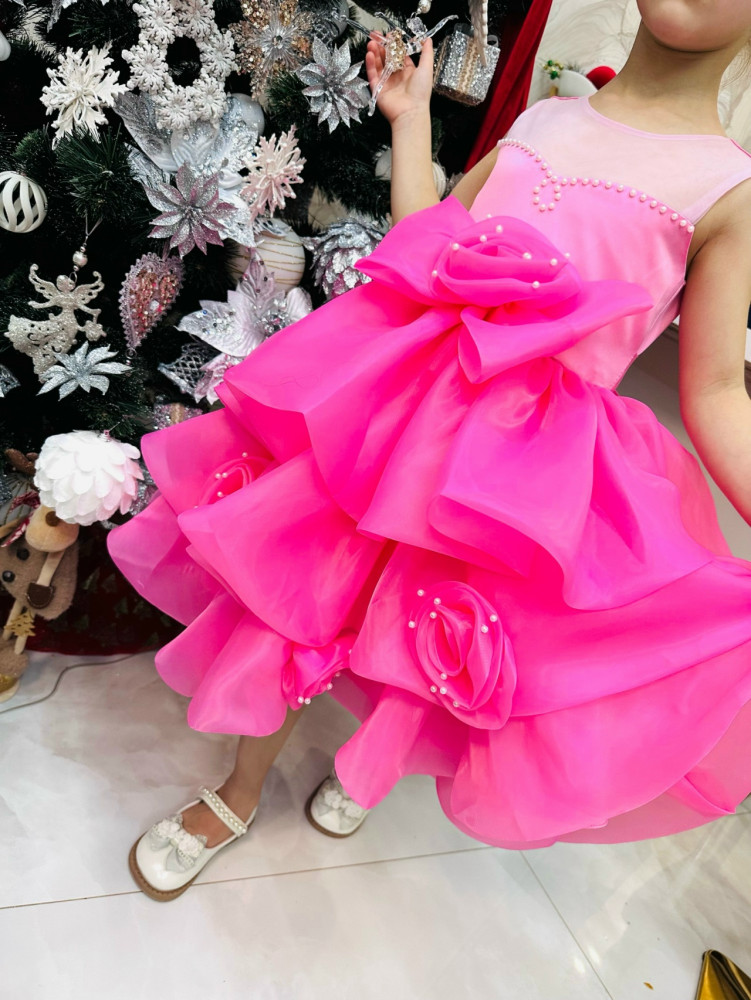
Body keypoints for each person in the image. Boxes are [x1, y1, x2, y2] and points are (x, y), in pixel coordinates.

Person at [109, 0, 751, 902]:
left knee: (439, 636)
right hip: (404, 412)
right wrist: (409, 120)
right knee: (304, 597)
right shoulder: (549, 116)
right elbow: (433, 234)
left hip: (526, 474)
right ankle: (240, 790)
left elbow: (716, 389)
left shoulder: (729, 187)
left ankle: (371, 766)